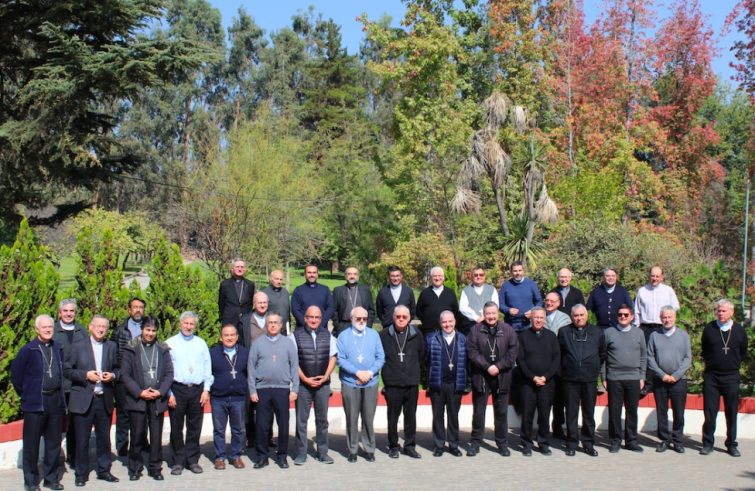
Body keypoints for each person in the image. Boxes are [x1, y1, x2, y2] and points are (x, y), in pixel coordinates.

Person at [12, 315, 66, 491]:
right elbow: (16, 377)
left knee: (53, 444)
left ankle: (51, 479)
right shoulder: (28, 350)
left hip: (55, 401)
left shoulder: (57, 347)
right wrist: (27, 394)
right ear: (37, 330)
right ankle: (31, 482)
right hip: (35, 403)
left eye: (50, 327)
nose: (48, 330)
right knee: (31, 445)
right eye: (44, 327)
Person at [65, 315, 119, 486]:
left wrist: (113, 375)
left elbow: (118, 368)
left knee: (104, 438)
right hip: (83, 399)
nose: (101, 329)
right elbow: (67, 370)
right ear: (90, 327)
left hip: (104, 399)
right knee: (82, 439)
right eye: (98, 326)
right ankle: (81, 474)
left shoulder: (111, 346)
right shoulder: (78, 346)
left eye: (104, 327)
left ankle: (104, 470)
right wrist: (85, 375)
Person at [119, 316, 174, 481]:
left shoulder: (163, 348)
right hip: (138, 399)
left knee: (156, 437)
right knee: (137, 435)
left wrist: (161, 391)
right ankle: (135, 468)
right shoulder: (131, 347)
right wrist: (139, 392)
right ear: (142, 329)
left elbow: (169, 373)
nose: (150, 333)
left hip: (157, 399)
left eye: (153, 330)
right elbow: (125, 374)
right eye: (147, 330)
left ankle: (155, 468)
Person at [247, 313, 299, 469]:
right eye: (270, 322)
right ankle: (262, 456)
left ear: (281, 325)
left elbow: (294, 366)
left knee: (283, 424)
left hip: (282, 389)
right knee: (262, 425)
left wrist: (295, 389)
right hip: (262, 389)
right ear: (266, 325)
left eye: (276, 322)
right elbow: (251, 367)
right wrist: (252, 390)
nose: (273, 325)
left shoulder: (288, 343)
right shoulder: (258, 343)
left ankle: (282, 456)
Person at [466, 301, 518, 457]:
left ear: (498, 314)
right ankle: (475, 443)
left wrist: (499, 366)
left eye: (493, 313)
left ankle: (502, 444)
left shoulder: (508, 330)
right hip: (481, 376)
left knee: (501, 412)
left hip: (502, 376)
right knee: (478, 411)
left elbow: (513, 352)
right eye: (488, 313)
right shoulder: (475, 330)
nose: (491, 316)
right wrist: (487, 366)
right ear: (484, 314)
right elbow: (472, 352)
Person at [166, 312, 213, 475]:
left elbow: (207, 366)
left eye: (191, 324)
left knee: (195, 426)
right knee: (176, 426)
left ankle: (192, 460)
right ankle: (178, 461)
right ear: (180, 323)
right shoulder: (170, 343)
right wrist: (169, 393)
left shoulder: (201, 343)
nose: (188, 326)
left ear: (195, 325)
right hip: (177, 389)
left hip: (197, 389)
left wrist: (206, 389)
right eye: (186, 323)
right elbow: (166, 371)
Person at [700, 299, 748, 457]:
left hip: (731, 376)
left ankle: (731, 444)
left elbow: (743, 352)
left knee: (731, 411)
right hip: (712, 376)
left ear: (731, 312)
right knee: (710, 412)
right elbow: (704, 349)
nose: (720, 313)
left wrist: (732, 364)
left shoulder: (739, 330)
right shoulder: (710, 328)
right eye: (719, 310)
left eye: (724, 311)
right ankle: (708, 443)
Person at [337, 307, 385, 462]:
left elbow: (380, 357)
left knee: (368, 417)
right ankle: (352, 450)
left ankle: (369, 448)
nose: (362, 321)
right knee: (352, 417)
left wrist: (369, 373)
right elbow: (340, 359)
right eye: (358, 318)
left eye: (364, 318)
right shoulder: (343, 336)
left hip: (371, 382)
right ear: (351, 319)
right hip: (350, 382)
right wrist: (357, 373)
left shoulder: (374, 334)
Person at [558, 304, 606, 457]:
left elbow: (602, 353)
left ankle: (588, 443)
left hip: (589, 378)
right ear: (572, 317)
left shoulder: (597, 332)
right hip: (570, 379)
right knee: (571, 412)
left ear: (587, 316)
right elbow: (559, 354)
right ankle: (571, 443)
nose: (579, 318)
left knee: (588, 413)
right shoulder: (564, 332)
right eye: (576, 315)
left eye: (581, 315)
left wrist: (594, 367)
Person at [292, 306, 337, 465]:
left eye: (317, 317)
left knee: (322, 420)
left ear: (321, 319)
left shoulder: (328, 335)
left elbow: (333, 357)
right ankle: (301, 453)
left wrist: (326, 376)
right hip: (303, 385)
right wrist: (305, 378)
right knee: (301, 421)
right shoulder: (295, 336)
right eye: (310, 317)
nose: (313, 320)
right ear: (305, 318)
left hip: (322, 385)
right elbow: (293, 361)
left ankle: (323, 453)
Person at [380, 305, 425, 459]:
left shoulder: (416, 334)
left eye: (404, 317)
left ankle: (410, 446)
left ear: (409, 318)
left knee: (410, 416)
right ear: (393, 317)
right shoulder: (384, 334)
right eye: (398, 316)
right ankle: (393, 446)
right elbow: (380, 356)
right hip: (393, 382)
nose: (401, 319)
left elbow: (421, 355)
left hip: (411, 382)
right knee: (393, 417)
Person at [603, 304, 646, 453]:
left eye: (626, 315)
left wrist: (642, 376)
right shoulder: (609, 333)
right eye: (620, 314)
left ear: (632, 317)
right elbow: (603, 357)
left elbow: (643, 356)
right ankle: (615, 440)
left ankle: (631, 441)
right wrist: (604, 377)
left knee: (632, 411)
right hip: (614, 378)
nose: (623, 317)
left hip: (634, 377)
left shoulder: (639, 333)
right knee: (615, 411)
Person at [517, 307, 560, 456]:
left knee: (544, 415)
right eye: (536, 317)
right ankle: (526, 444)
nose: (538, 320)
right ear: (531, 318)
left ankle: (543, 443)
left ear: (545, 319)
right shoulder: (523, 336)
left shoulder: (551, 336)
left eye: (541, 317)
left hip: (547, 383)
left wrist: (545, 377)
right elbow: (520, 360)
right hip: (528, 383)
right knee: (527, 415)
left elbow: (556, 359)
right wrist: (533, 377)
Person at [647, 306, 691, 453]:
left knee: (679, 412)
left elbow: (688, 358)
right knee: (662, 412)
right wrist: (662, 375)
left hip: (679, 380)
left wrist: (676, 375)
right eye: (664, 317)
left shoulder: (683, 335)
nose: (667, 320)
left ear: (675, 317)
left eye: (669, 317)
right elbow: (650, 357)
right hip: (660, 380)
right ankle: (664, 440)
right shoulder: (654, 335)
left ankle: (678, 441)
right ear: (660, 319)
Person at [425, 311, 467, 457]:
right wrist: (428, 381)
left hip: (455, 384)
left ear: (455, 322)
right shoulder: (432, 339)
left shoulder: (462, 339)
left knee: (453, 416)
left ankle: (454, 445)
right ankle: (439, 445)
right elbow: (426, 360)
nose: (448, 324)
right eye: (444, 322)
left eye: (450, 321)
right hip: (438, 383)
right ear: (440, 323)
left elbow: (467, 362)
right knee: (437, 416)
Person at [633, 266, 680, 395]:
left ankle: (665, 383)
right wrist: (637, 327)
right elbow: (636, 310)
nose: (654, 278)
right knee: (646, 355)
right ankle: (648, 384)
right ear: (649, 276)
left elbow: (675, 308)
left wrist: (670, 323)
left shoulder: (668, 291)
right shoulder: (642, 291)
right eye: (652, 276)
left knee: (663, 355)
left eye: (657, 276)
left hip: (662, 326)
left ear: (662, 277)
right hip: (645, 327)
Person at [52, 298, 87, 469]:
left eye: (71, 311)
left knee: (75, 423)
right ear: (59, 313)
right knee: (56, 423)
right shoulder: (53, 331)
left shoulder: (81, 330)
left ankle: (74, 457)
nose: (68, 314)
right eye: (65, 311)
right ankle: (55, 459)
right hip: (59, 385)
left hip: (77, 384)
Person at [209, 324, 250, 470]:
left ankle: (235, 456)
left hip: (238, 397)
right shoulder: (213, 353)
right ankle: (220, 457)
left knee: (238, 429)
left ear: (237, 337)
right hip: (218, 397)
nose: (229, 338)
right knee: (219, 430)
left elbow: (249, 373)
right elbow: (207, 374)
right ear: (221, 337)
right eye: (226, 335)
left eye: (232, 335)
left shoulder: (245, 353)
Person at [111, 296, 146, 457]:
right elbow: (114, 353)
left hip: (142, 377)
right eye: (135, 307)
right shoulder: (120, 330)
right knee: (123, 413)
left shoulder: (148, 327)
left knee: (142, 413)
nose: (138, 310)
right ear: (129, 310)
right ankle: (122, 446)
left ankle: (141, 443)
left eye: (141, 307)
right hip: (123, 377)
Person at [543, 291, 570, 439]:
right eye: (547, 300)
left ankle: (558, 427)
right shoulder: (539, 315)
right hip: (542, 363)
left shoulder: (565, 318)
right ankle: (543, 428)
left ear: (559, 303)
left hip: (559, 363)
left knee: (559, 398)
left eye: (552, 301)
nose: (549, 303)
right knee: (544, 399)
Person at [498, 261, 542, 331]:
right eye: (515, 271)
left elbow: (539, 301)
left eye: (520, 270)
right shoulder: (505, 286)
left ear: (523, 271)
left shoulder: (531, 284)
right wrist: (508, 310)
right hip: (511, 325)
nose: (517, 273)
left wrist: (533, 311)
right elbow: (500, 304)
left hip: (528, 324)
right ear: (511, 272)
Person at [332, 266, 375, 337]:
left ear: (358, 276)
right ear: (345, 276)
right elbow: (334, 310)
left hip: (362, 324)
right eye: (349, 274)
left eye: (355, 274)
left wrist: (368, 326)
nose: (352, 276)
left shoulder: (366, 290)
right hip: (344, 325)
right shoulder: (338, 290)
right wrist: (338, 326)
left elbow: (371, 310)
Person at [416, 266, 459, 336]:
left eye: (439, 276)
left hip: (446, 332)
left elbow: (455, 311)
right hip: (428, 332)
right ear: (431, 278)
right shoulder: (424, 293)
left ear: (443, 277)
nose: (437, 278)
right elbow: (419, 311)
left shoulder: (450, 293)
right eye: (434, 276)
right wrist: (428, 321)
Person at [291, 264, 334, 330]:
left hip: (321, 329)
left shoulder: (325, 289)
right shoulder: (298, 290)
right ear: (305, 274)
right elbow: (295, 310)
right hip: (303, 329)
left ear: (317, 274)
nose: (312, 275)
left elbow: (330, 307)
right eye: (309, 272)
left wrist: (321, 324)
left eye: (314, 272)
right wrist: (307, 325)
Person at [458, 266, 498, 335]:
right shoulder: (466, 290)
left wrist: (485, 317)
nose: (478, 277)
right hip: (471, 325)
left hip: (488, 324)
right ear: (472, 276)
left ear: (484, 276)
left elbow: (495, 306)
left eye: (481, 275)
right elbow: (463, 307)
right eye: (476, 275)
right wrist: (476, 318)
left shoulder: (492, 289)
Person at [218, 258, 255, 327]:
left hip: (245, 321)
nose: (240, 269)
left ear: (245, 269)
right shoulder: (225, 284)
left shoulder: (250, 284)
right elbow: (221, 304)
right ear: (232, 269)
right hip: (229, 320)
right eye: (237, 267)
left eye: (242, 267)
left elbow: (250, 303)